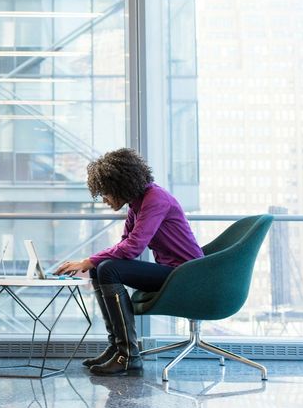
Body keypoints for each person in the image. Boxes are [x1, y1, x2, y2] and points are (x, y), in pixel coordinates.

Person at [54, 148, 203, 376]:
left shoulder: (155, 199)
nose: (103, 199)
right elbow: (125, 243)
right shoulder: (138, 203)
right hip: (173, 272)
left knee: (107, 267)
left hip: (187, 275)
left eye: (105, 193)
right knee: (101, 269)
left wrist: (88, 260)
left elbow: (133, 248)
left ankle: (128, 355)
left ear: (119, 185)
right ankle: (117, 348)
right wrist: (91, 263)